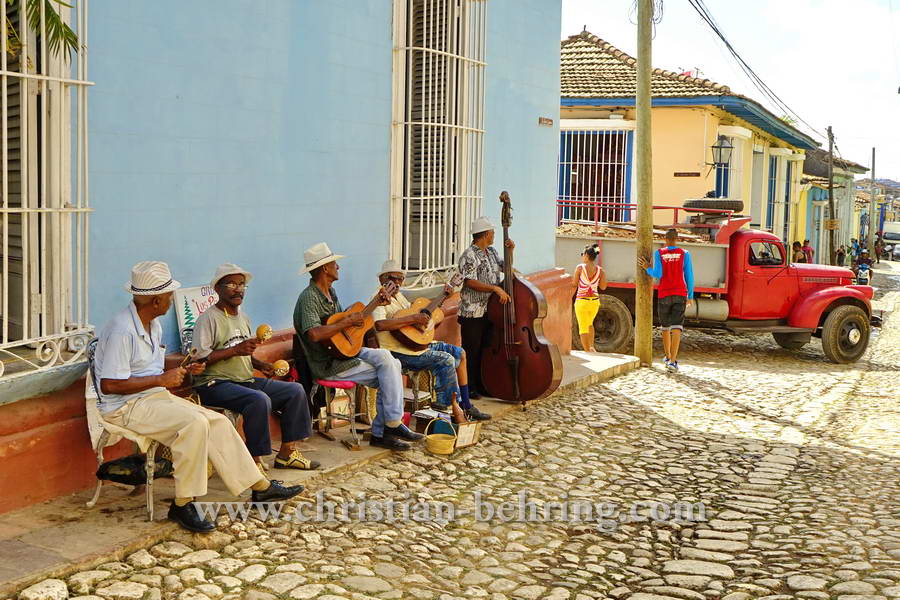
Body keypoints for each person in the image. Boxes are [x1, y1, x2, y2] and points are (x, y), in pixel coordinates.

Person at [94, 262, 302, 533]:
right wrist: (161, 380)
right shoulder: (122, 330)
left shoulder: (152, 325)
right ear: (156, 300)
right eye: (168, 296)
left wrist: (183, 369)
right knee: (194, 424)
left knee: (217, 422)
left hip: (151, 396)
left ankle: (259, 487)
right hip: (124, 406)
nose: (171, 300)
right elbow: (110, 385)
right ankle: (183, 503)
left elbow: (149, 370)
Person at [293, 243, 424, 451]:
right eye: (334, 264)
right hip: (329, 363)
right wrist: (347, 322)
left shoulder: (331, 292)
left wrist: (375, 305)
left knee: (388, 359)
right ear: (325, 268)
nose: (338, 267)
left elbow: (344, 326)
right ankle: (386, 430)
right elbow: (315, 334)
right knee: (389, 373)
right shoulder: (309, 297)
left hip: (345, 352)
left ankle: (390, 425)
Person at [192, 263, 319, 474]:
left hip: (244, 380)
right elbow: (200, 358)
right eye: (231, 284)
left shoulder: (244, 318)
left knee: (294, 391)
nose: (238, 289)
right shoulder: (208, 319)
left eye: (242, 284)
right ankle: (254, 462)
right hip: (214, 383)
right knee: (258, 400)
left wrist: (261, 365)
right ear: (218, 289)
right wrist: (235, 350)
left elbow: (243, 353)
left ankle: (287, 454)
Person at [370, 260, 491, 421]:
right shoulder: (379, 298)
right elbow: (380, 324)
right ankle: (447, 407)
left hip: (414, 346)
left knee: (460, 353)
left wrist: (442, 297)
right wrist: (413, 318)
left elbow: (416, 316)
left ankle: (466, 404)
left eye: (401, 278)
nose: (397, 282)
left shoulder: (399, 296)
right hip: (396, 351)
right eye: (393, 278)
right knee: (446, 360)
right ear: (382, 279)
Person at [457, 216, 515, 397]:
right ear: (485, 234)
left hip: (489, 310)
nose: (494, 235)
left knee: (485, 349)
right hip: (472, 312)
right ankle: (469, 387)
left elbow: (506, 267)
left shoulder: (492, 252)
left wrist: (511, 252)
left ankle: (483, 384)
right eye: (492, 232)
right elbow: (469, 281)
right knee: (472, 351)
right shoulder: (469, 255)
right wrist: (495, 288)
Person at [637, 229, 695, 372]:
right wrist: (690, 296)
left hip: (664, 294)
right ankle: (673, 362)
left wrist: (647, 268)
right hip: (680, 293)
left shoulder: (659, 253)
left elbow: (658, 274)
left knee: (665, 327)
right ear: (677, 239)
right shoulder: (685, 254)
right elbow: (689, 275)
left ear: (665, 239)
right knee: (677, 327)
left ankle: (668, 356)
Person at [571, 244, 608, 351]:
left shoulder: (580, 268)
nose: (582, 256)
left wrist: (569, 297)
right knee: (590, 324)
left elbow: (574, 284)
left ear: (587, 255)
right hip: (594, 302)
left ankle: (587, 352)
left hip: (582, 302)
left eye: (582, 254)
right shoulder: (600, 271)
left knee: (583, 328)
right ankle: (591, 347)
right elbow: (603, 287)